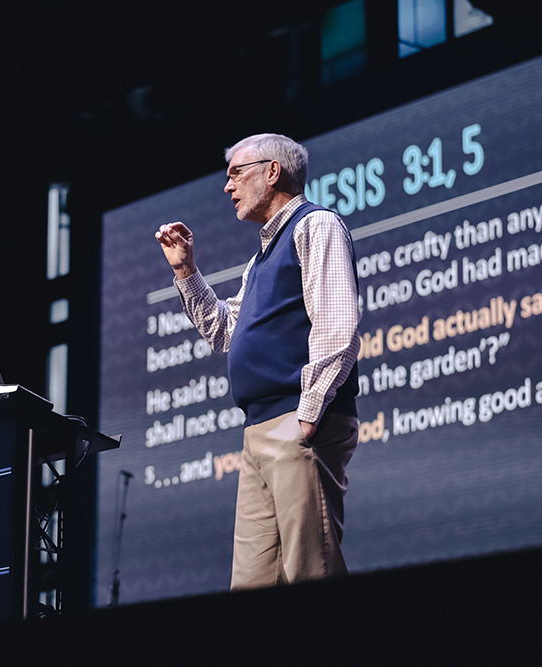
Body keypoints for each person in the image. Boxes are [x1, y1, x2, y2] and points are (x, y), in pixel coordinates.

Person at [154, 133, 361, 590]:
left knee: (312, 572)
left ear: (272, 172)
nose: (228, 187)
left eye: (236, 173)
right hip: (258, 431)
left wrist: (305, 420)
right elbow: (225, 331)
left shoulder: (316, 225)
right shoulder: (259, 260)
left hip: (297, 423)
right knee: (251, 585)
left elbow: (338, 326)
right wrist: (186, 271)